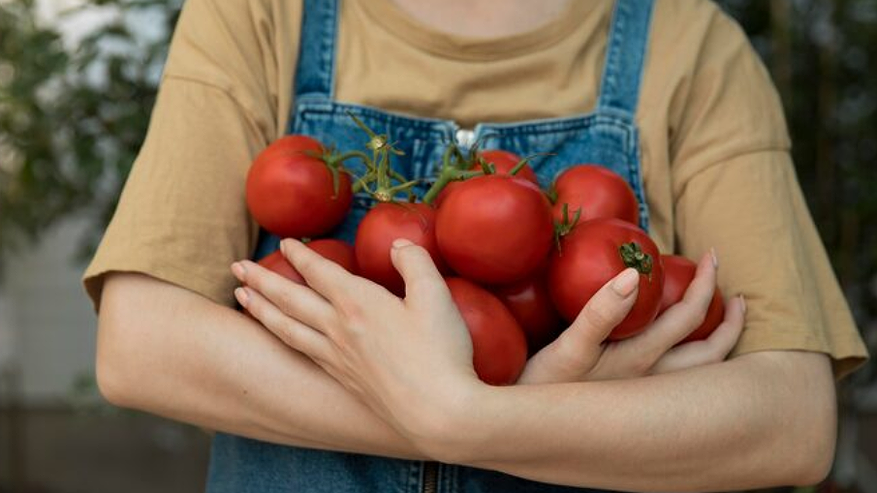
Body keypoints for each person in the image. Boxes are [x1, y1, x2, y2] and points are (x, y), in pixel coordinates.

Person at [84, 0, 868, 491]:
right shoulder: (259, 15)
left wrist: (470, 418)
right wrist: (482, 406)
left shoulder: (690, 46)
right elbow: (142, 343)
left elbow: (790, 422)